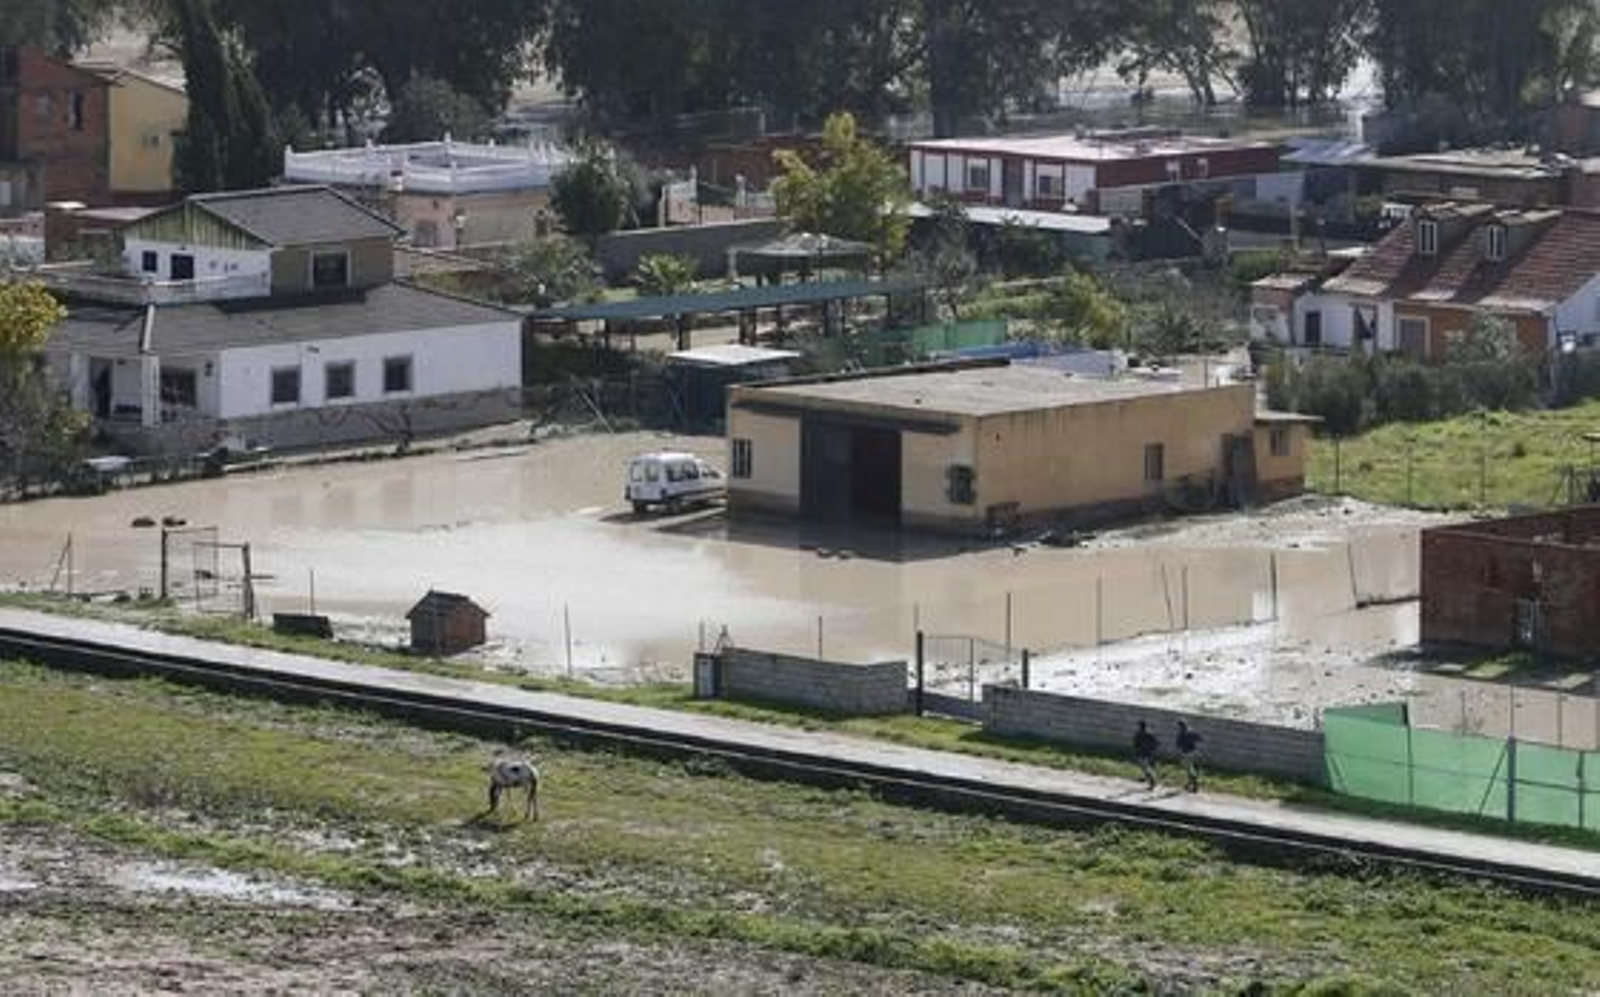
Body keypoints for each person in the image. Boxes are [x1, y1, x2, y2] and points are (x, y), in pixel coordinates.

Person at [1176, 720, 1203, 792]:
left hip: (1186, 753)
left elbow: (1178, 745)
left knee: (1190, 770)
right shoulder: (1191, 731)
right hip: (1194, 752)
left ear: (1180, 726)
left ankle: (1195, 786)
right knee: (1191, 769)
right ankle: (1189, 784)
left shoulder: (1181, 734)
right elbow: (1200, 738)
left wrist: (1180, 754)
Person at [1132, 720, 1159, 789]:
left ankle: (1152, 782)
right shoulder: (1149, 733)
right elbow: (1156, 743)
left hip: (1144, 753)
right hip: (1146, 753)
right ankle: (1148, 779)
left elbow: (1135, 744)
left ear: (1140, 726)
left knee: (1146, 768)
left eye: (1138, 726)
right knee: (1145, 767)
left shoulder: (1140, 734)